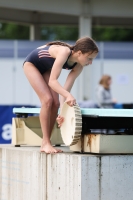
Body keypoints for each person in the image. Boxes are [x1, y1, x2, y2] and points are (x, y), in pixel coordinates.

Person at [23, 36, 99, 153]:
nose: (91, 62)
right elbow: (52, 82)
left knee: (56, 103)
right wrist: (69, 95)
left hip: (45, 68)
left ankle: (46, 142)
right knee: (47, 100)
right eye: (89, 58)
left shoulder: (78, 66)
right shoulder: (64, 51)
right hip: (32, 64)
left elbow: (65, 90)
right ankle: (46, 143)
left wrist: (62, 112)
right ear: (79, 53)